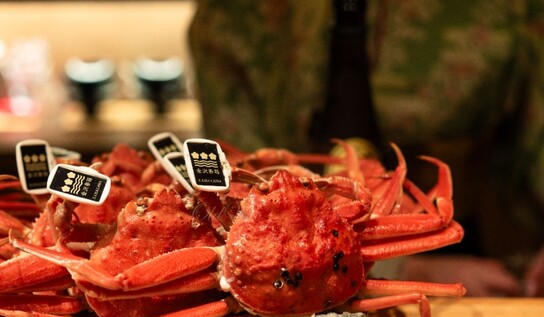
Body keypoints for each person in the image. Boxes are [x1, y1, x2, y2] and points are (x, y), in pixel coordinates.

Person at [188, 0, 544, 296]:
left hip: (462, 257)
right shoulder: (230, 15)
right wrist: (404, 268)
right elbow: (233, 180)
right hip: (267, 274)